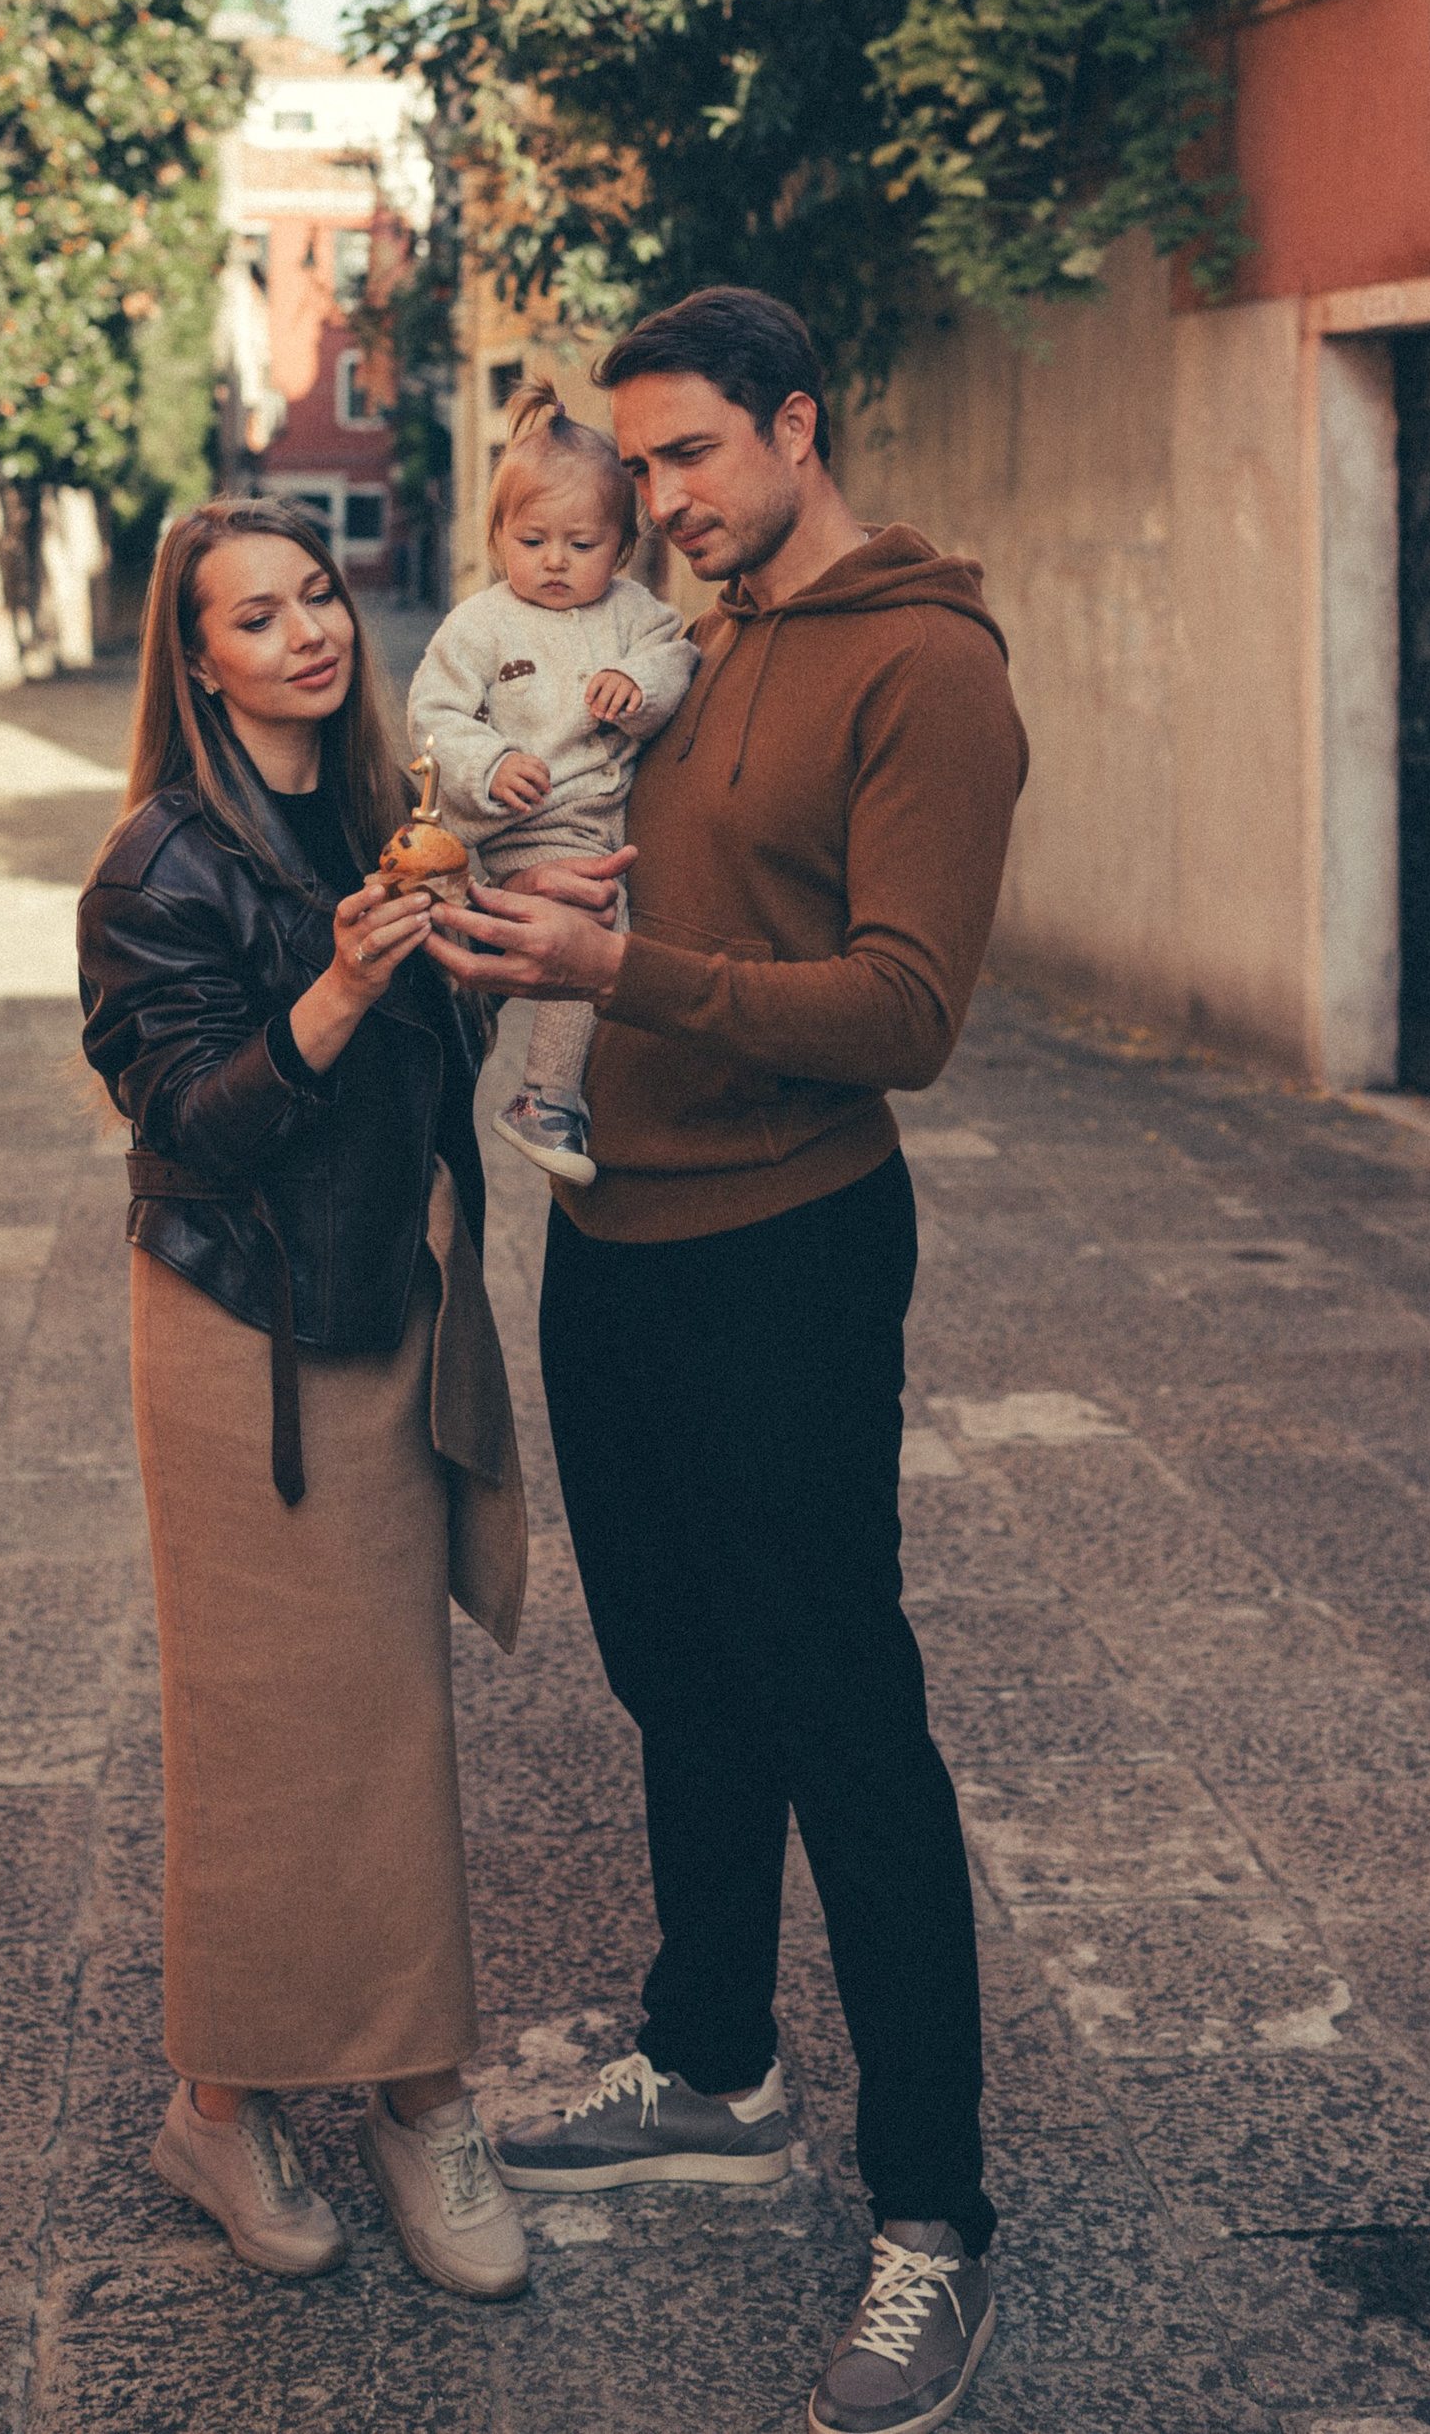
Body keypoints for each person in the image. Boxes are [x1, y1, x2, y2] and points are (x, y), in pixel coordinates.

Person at [423, 289, 1027, 2434]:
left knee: (841, 1713)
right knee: (673, 1674)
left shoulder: (924, 665)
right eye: (640, 462)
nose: (658, 496)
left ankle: (933, 2211)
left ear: (797, 422)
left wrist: (622, 965)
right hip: (609, 1236)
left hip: (788, 1242)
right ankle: (712, 2061)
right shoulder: (685, 639)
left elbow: (903, 1011)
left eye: (692, 454)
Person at [76, 497, 532, 2306]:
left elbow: (446, 1066)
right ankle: (224, 2103)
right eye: (256, 615)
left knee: (390, 1713)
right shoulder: (158, 868)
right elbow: (193, 1119)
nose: (309, 631)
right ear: (198, 662)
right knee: (255, 1730)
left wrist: (483, 944)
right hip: (237, 1326)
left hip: (386, 1296)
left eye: (319, 594)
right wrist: (343, 982)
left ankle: (419, 2091)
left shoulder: (381, 812)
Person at [405, 378, 696, 1183]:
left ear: (623, 548)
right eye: (532, 541)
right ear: (498, 535)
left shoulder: (634, 614)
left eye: (582, 543)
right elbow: (432, 717)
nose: (556, 561)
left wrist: (638, 685)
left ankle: (555, 1077)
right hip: (521, 829)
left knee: (611, 940)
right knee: (586, 930)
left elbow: (679, 657)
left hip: (609, 827)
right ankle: (545, 1099)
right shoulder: (481, 624)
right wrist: (490, 764)